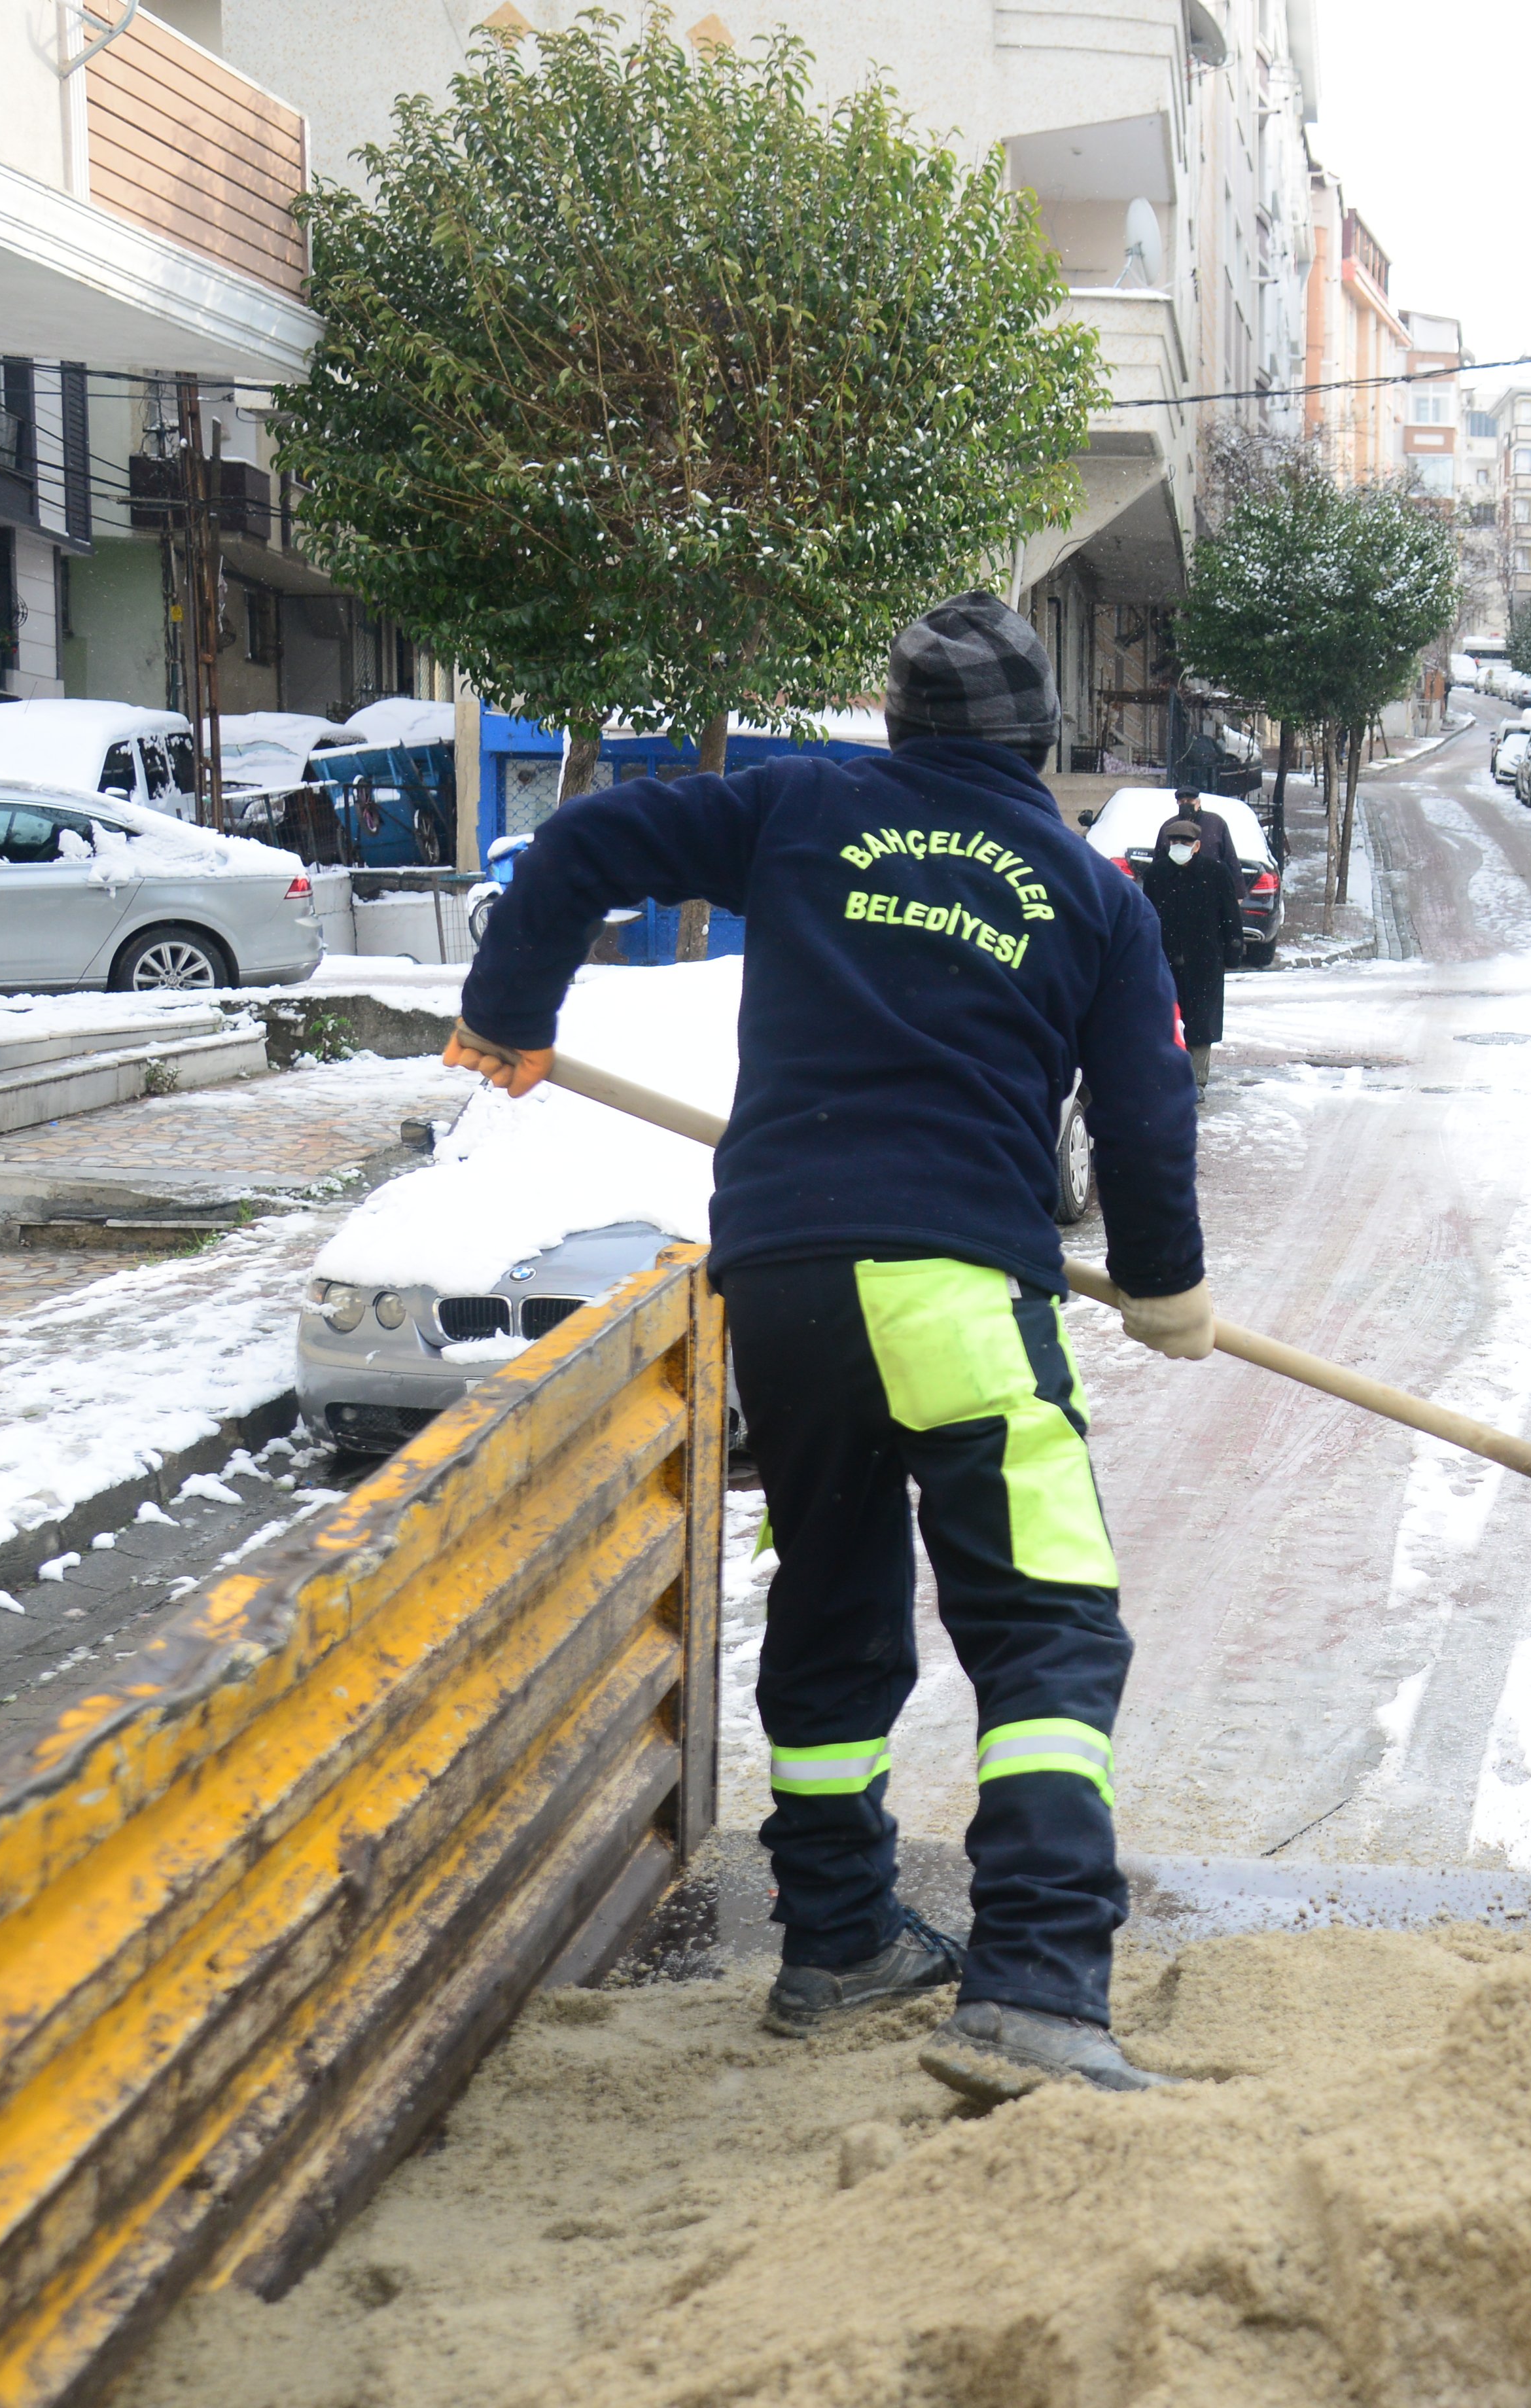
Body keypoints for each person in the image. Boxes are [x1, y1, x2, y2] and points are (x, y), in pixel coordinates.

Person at [438, 591, 1213, 2106]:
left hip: (783, 1283)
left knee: (837, 1593)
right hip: (955, 1291)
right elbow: (1143, 1111)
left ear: (898, 726)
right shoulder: (1087, 889)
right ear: (1039, 743)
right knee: (1048, 1625)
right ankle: (1041, 1983)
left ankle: (841, 1932)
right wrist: (1165, 1280)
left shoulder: (803, 806)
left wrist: (507, 1012)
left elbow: (587, 846)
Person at [1138, 799, 1244, 1091]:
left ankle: (1197, 1079)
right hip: (1166, 960)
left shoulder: (1215, 873)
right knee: (1166, 1019)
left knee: (1201, 1023)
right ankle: (1171, 1073)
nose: (1179, 846)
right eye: (1175, 841)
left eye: (1185, 841)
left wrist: (1233, 950)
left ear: (1197, 845)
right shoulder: (1158, 874)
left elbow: (1230, 916)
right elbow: (1147, 916)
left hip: (1205, 960)